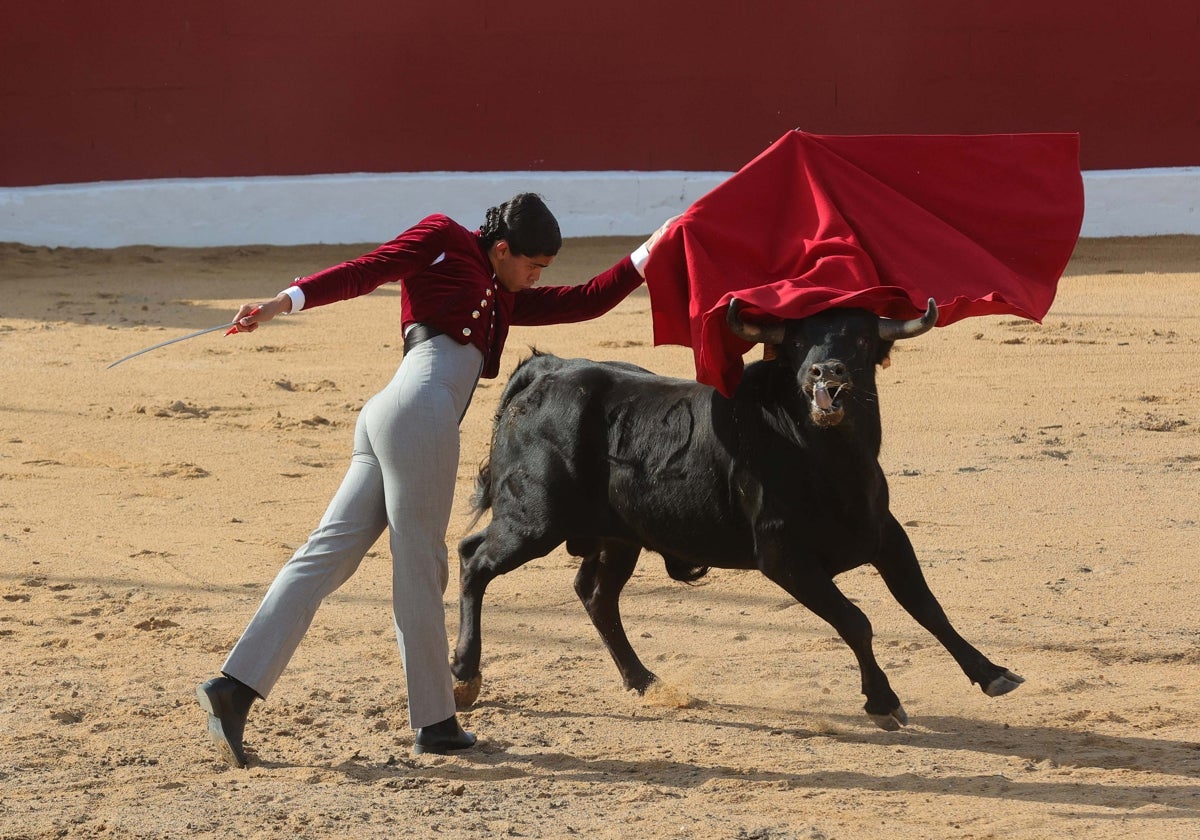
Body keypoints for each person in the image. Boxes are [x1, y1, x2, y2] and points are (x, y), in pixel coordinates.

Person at [197, 193, 675, 767]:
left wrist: (651, 251)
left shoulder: (501, 293)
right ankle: (435, 721)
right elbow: (367, 270)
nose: (534, 278)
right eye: (531, 266)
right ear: (502, 249)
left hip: (394, 413)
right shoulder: (442, 237)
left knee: (325, 555)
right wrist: (283, 302)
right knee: (420, 567)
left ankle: (234, 687)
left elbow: (585, 301)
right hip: (420, 414)